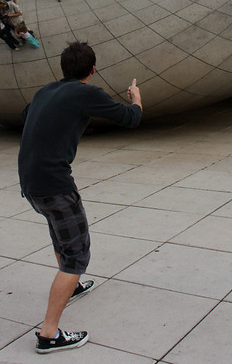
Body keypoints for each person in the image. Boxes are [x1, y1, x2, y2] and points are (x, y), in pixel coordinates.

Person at [18, 41, 142, 354]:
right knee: (76, 255)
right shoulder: (87, 93)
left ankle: (71, 287)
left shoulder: (46, 91)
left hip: (31, 182)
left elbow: (27, 115)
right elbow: (130, 119)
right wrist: (136, 100)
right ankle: (49, 334)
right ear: (92, 69)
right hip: (54, 184)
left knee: (61, 238)